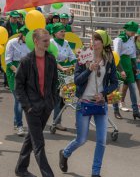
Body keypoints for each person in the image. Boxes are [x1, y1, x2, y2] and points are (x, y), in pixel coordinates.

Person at [59, 30, 118, 177]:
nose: (94, 42)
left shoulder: (109, 59)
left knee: (102, 141)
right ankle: (65, 153)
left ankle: (95, 172)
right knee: (81, 139)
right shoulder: (83, 57)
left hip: (100, 104)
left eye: (97, 39)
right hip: (83, 103)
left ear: (103, 42)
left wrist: (103, 94)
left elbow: (114, 83)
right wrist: (89, 69)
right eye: (93, 39)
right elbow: (77, 80)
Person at [15, 28, 58, 177]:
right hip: (32, 108)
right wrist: (27, 106)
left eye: (48, 40)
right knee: (39, 143)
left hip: (46, 106)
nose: (48, 43)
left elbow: (54, 82)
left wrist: (52, 101)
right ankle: (48, 175)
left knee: (31, 138)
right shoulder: (26, 61)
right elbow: (18, 86)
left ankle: (20, 169)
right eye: (45, 40)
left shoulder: (51, 59)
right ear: (36, 41)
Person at [50, 23, 77, 131]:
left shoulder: (66, 43)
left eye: (64, 31)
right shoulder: (51, 43)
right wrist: (61, 68)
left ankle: (57, 121)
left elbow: (71, 56)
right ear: (55, 33)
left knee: (64, 98)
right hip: (54, 71)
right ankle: (55, 121)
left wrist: (77, 64)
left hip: (65, 73)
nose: (63, 33)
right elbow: (53, 59)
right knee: (57, 98)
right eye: (61, 31)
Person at [5, 26, 30, 137]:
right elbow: (8, 61)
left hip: (27, 72)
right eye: (27, 36)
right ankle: (20, 126)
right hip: (14, 72)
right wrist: (18, 72)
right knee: (19, 100)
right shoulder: (12, 43)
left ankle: (16, 121)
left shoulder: (32, 44)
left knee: (26, 99)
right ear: (21, 35)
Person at [113, 21, 140, 118]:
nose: (134, 33)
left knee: (132, 88)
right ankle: (116, 110)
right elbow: (116, 55)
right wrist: (120, 70)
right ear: (127, 30)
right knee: (116, 89)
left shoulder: (132, 38)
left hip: (129, 64)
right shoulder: (118, 40)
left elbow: (132, 55)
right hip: (119, 64)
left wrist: (135, 68)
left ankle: (136, 111)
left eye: (134, 31)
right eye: (132, 31)